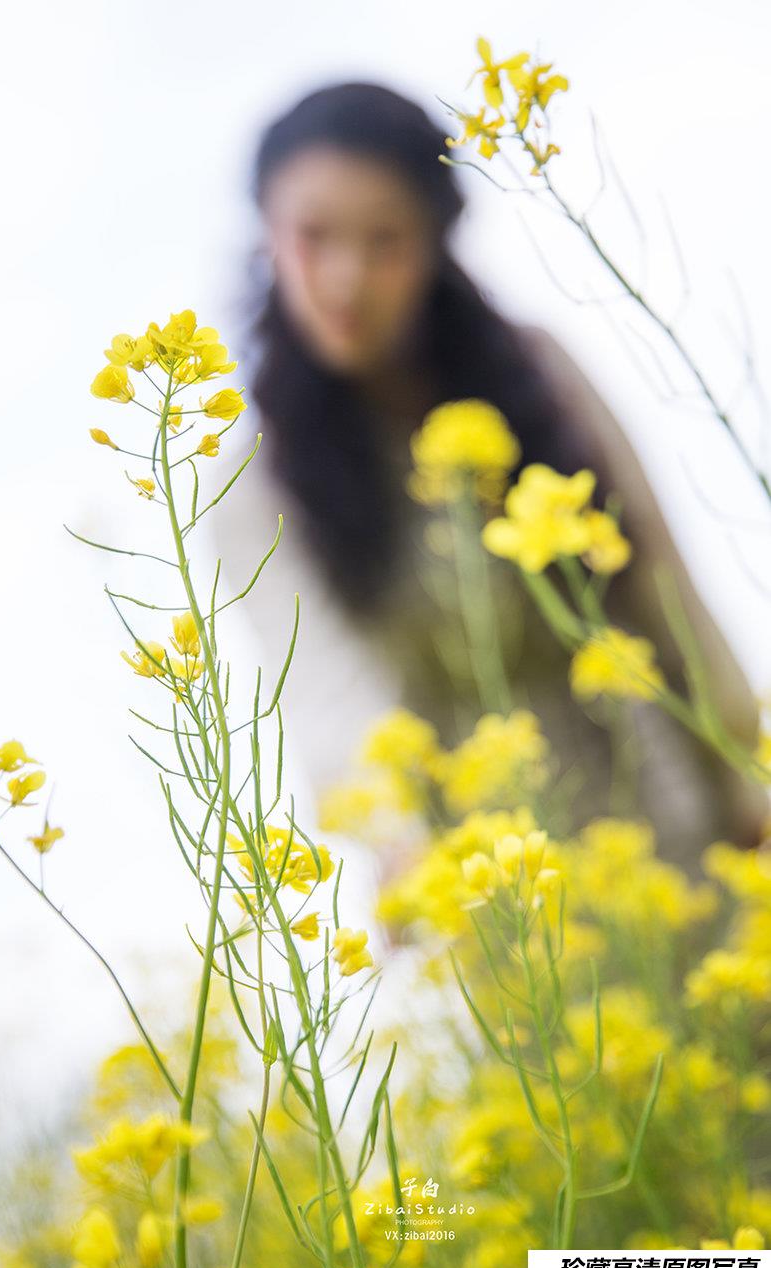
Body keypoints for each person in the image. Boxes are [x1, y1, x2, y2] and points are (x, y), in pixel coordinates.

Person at [207, 81, 766, 873]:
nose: (345, 280)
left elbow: (662, 584)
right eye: (314, 236)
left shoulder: (539, 373)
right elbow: (331, 701)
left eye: (385, 241)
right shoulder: (253, 486)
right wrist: (403, 852)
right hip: (491, 884)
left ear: (436, 247)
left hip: (674, 820)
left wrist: (750, 779)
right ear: (267, 233)